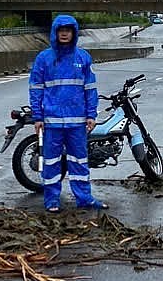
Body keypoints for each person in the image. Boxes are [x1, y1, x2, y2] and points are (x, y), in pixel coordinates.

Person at [28, 14, 108, 213]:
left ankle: (84, 198)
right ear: (55, 33)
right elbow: (36, 88)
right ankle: (52, 200)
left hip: (77, 121)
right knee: (52, 162)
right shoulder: (44, 58)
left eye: (68, 30)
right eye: (61, 30)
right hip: (52, 121)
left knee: (79, 162)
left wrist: (91, 115)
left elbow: (90, 89)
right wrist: (38, 117)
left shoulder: (83, 58)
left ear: (74, 32)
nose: (64, 33)